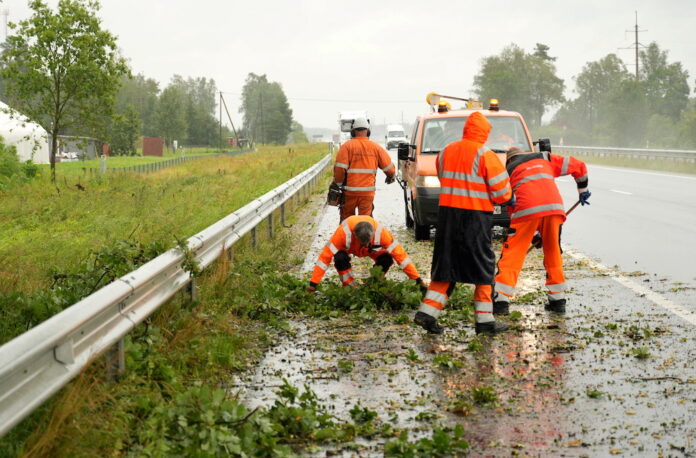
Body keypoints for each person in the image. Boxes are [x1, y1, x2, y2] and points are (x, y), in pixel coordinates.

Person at [414, 112, 513, 335]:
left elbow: (443, 177)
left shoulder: (446, 151)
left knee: (446, 267)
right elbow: (502, 192)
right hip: (475, 218)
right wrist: (507, 197)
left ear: (466, 129)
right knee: (484, 268)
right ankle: (485, 321)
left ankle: (427, 314)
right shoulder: (485, 154)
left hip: (447, 217)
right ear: (485, 133)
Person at [493, 147, 590, 315]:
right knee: (553, 251)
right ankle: (557, 300)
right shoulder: (545, 157)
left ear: (509, 160)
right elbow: (578, 165)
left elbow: (510, 204)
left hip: (525, 209)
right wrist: (582, 190)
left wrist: (530, 233)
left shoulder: (507, 171)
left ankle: (501, 300)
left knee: (513, 253)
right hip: (553, 208)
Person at [307, 215, 427, 292]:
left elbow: (402, 257)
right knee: (340, 258)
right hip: (349, 249)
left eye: (367, 242)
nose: (364, 245)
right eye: (362, 242)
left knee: (387, 259)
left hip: (372, 250)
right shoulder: (342, 233)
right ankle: (349, 287)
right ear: (355, 235)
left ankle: (375, 282)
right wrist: (313, 284)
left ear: (373, 234)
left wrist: (418, 280)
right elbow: (324, 258)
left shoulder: (382, 234)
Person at [333, 117, 396, 222]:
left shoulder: (346, 147)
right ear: (368, 131)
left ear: (353, 132)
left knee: (347, 221)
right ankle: (364, 238)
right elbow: (390, 169)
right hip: (367, 193)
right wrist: (390, 177)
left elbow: (339, 169)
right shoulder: (376, 147)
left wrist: (338, 184)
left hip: (349, 193)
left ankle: (348, 238)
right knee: (366, 222)